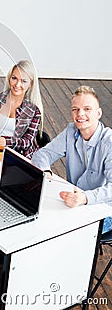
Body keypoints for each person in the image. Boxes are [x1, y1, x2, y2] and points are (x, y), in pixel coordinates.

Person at [32, 85, 112, 233]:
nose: (80, 114)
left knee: (66, 232)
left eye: (87, 109)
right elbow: (41, 154)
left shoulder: (109, 143)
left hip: (103, 209)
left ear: (98, 113)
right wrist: (46, 173)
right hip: (72, 204)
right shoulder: (71, 131)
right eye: (75, 109)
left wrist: (85, 198)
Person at [0, 60, 43, 159]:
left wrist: (6, 141)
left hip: (20, 157)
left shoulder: (33, 111)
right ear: (9, 78)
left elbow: (27, 142)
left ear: (30, 84)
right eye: (14, 78)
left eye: (24, 81)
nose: (17, 85)